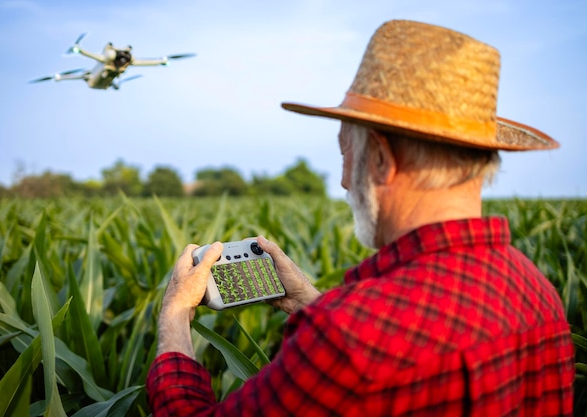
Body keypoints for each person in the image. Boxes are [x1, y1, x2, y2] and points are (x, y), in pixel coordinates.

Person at [147, 19, 574, 416]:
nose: (345, 182)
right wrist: (306, 303)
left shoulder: (347, 339)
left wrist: (174, 318)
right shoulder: (537, 292)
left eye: (345, 153)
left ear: (383, 161)